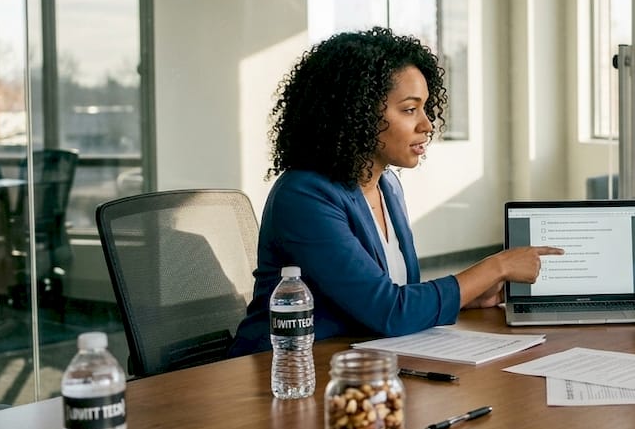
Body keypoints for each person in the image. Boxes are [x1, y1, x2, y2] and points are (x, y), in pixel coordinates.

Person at [230, 27, 562, 355]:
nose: (427, 124)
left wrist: (468, 298)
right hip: (284, 371)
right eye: (409, 109)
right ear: (356, 113)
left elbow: (400, 294)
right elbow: (389, 310)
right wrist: (497, 266)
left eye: (425, 108)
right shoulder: (304, 196)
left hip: (360, 363)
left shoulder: (387, 185)